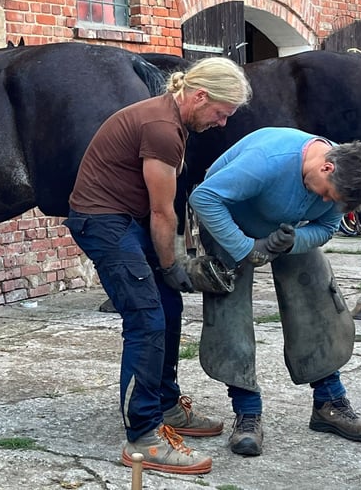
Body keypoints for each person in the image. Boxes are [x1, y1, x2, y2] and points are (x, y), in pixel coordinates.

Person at [63, 57, 252, 475]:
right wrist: (171, 265)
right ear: (200, 96)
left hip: (126, 220)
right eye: (221, 113)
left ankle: (165, 404)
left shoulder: (171, 118)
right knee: (147, 318)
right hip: (104, 223)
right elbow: (163, 212)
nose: (222, 123)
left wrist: (170, 268)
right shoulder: (163, 128)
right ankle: (143, 437)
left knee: (168, 308)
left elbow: (162, 211)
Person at [188, 127, 361, 457]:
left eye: (331, 201)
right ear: (326, 167)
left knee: (318, 300)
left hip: (283, 229)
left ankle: (329, 403)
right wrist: (246, 248)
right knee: (229, 313)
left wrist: (293, 243)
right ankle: (247, 413)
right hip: (228, 220)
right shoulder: (267, 161)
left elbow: (327, 227)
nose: (324, 201)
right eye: (327, 194)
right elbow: (204, 197)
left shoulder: (345, 178)